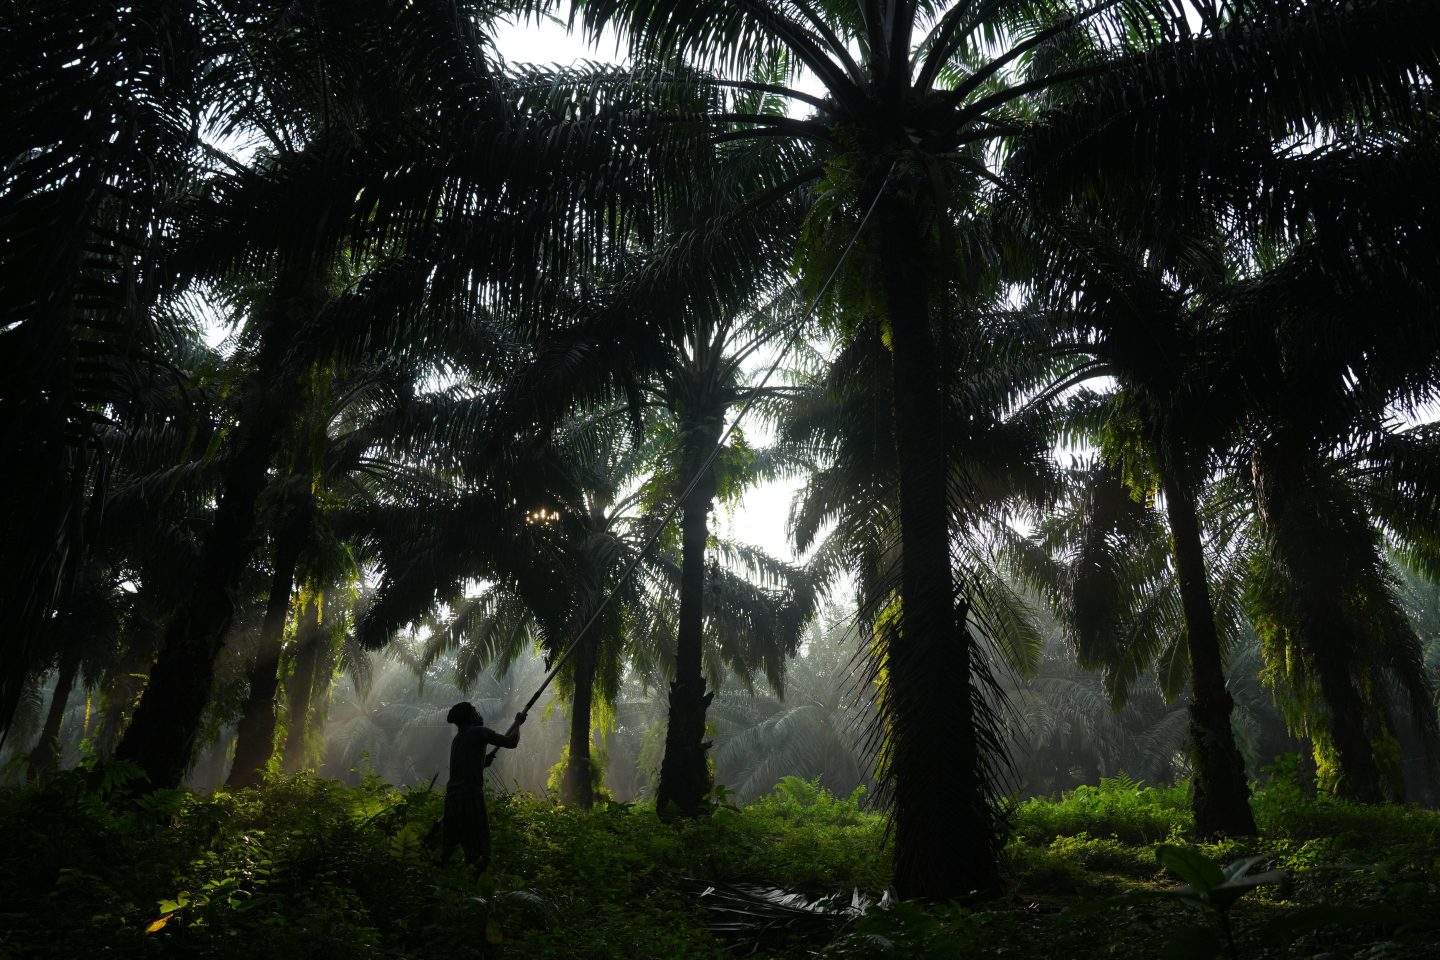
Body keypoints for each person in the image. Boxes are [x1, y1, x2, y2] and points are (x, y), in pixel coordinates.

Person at [441, 701, 525, 872]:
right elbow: (511, 742)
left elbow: (464, 767)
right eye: (474, 711)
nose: (478, 714)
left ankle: (442, 880)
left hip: (452, 799)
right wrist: (518, 722)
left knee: (451, 844)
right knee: (480, 849)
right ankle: (477, 887)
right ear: (470, 716)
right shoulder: (479, 732)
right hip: (470, 797)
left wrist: (482, 762)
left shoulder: (458, 739)